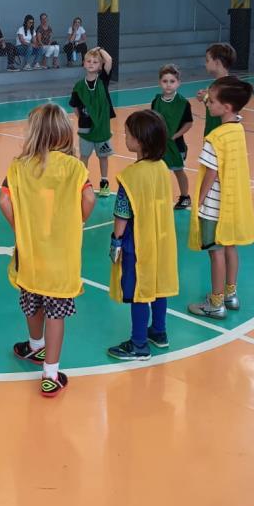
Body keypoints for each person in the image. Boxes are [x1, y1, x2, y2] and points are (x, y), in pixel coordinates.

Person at [0, 103, 95, 397]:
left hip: (31, 253)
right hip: (61, 256)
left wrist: (19, 227)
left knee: (32, 298)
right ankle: (50, 374)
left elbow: (4, 200)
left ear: (34, 134)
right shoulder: (75, 168)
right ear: (65, 133)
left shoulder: (19, 166)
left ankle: (34, 345)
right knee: (56, 311)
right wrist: (77, 220)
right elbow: (89, 199)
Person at [106, 110, 178, 360]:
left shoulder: (130, 176)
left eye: (127, 134)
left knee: (138, 290)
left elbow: (122, 213)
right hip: (161, 239)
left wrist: (116, 241)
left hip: (137, 242)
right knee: (158, 286)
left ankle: (138, 344)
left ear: (139, 140)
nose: (124, 137)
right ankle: (159, 331)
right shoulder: (162, 167)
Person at [187, 76, 254, 320]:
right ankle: (230, 294)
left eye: (212, 101)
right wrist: (210, 95)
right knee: (230, 247)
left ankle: (215, 303)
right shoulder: (237, 129)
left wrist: (199, 201)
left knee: (214, 252)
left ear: (226, 107)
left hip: (213, 206)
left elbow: (211, 173)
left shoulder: (215, 138)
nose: (208, 103)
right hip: (230, 204)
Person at [69, 45, 115, 197]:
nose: (91, 64)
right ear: (83, 63)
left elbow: (109, 59)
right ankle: (82, 182)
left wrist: (99, 49)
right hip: (85, 128)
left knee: (103, 156)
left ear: (100, 66)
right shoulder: (78, 86)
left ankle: (104, 182)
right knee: (84, 156)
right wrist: (84, 119)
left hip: (102, 127)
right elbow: (75, 107)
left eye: (95, 62)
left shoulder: (103, 80)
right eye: (88, 61)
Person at [151, 63, 193, 210]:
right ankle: (159, 196)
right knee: (159, 171)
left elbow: (189, 123)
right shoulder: (156, 101)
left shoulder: (183, 103)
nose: (168, 85)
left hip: (176, 144)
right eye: (165, 81)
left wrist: (175, 135)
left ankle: (185, 197)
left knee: (178, 170)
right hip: (160, 144)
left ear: (178, 83)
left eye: (172, 81)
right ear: (159, 82)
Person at [196, 42, 237, 136]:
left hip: (220, 136)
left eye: (207, 60)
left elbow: (222, 109)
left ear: (217, 62)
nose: (205, 64)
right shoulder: (215, 85)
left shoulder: (229, 86)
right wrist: (205, 98)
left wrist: (206, 97)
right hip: (211, 134)